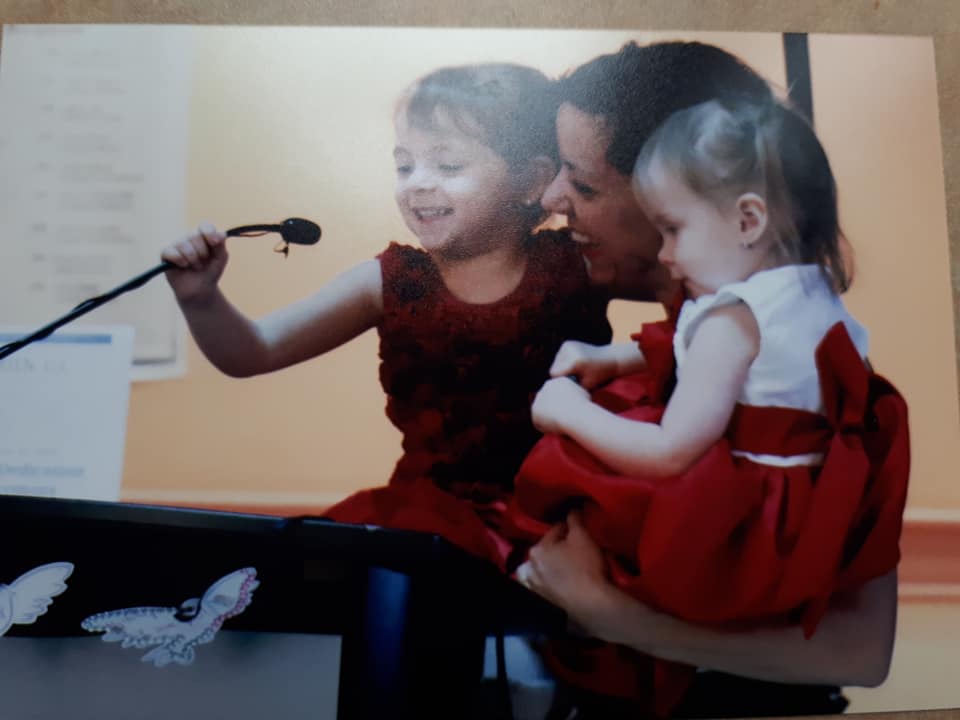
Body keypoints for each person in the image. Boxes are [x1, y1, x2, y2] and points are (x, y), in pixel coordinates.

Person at [511, 41, 907, 719]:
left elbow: (859, 652)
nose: (552, 201)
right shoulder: (625, 349)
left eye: (582, 182)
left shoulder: (816, 382)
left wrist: (613, 616)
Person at [160, 63, 612, 568]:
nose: (417, 185)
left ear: (530, 181)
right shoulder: (392, 281)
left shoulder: (578, 262)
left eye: (448, 167)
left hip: (561, 519)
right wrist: (200, 298)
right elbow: (252, 352)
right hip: (428, 523)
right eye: (404, 166)